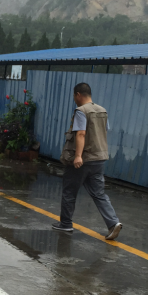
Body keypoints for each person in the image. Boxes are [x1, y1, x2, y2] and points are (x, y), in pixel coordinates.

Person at [53, 82, 122, 240]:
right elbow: (103, 131)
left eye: (74, 96)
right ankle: (113, 223)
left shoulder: (81, 111)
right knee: (99, 194)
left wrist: (78, 156)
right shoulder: (102, 110)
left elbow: (81, 134)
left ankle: (66, 223)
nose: (74, 99)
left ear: (78, 95)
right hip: (99, 159)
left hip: (83, 159)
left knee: (69, 191)